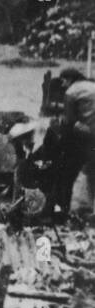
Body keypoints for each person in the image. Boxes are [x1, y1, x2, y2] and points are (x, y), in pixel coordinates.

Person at [60, 67, 95, 219]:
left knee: (68, 172)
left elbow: (70, 121)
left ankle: (65, 209)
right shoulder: (92, 85)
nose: (62, 85)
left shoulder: (71, 92)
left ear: (69, 79)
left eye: (63, 81)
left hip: (87, 136)